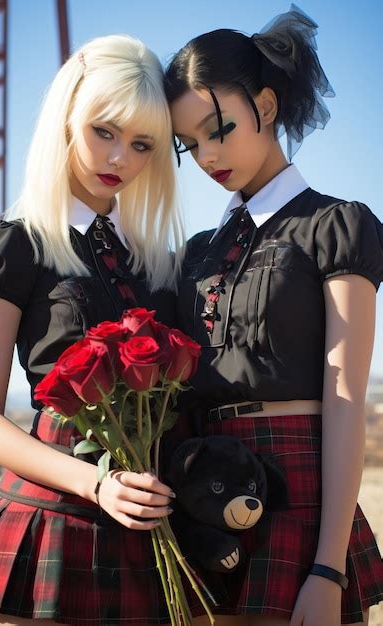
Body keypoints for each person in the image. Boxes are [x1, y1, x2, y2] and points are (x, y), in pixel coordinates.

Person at [164, 5, 383, 626]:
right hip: (205, 496)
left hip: (301, 492)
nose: (208, 156)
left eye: (219, 128)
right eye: (191, 143)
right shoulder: (196, 253)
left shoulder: (334, 226)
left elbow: (344, 398)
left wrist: (328, 565)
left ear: (265, 105)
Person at [0, 35, 185, 626]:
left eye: (141, 144)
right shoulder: (16, 244)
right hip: (57, 513)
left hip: (151, 521)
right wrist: (96, 483)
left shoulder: (157, 264)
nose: (119, 158)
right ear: (67, 117)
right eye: (104, 131)